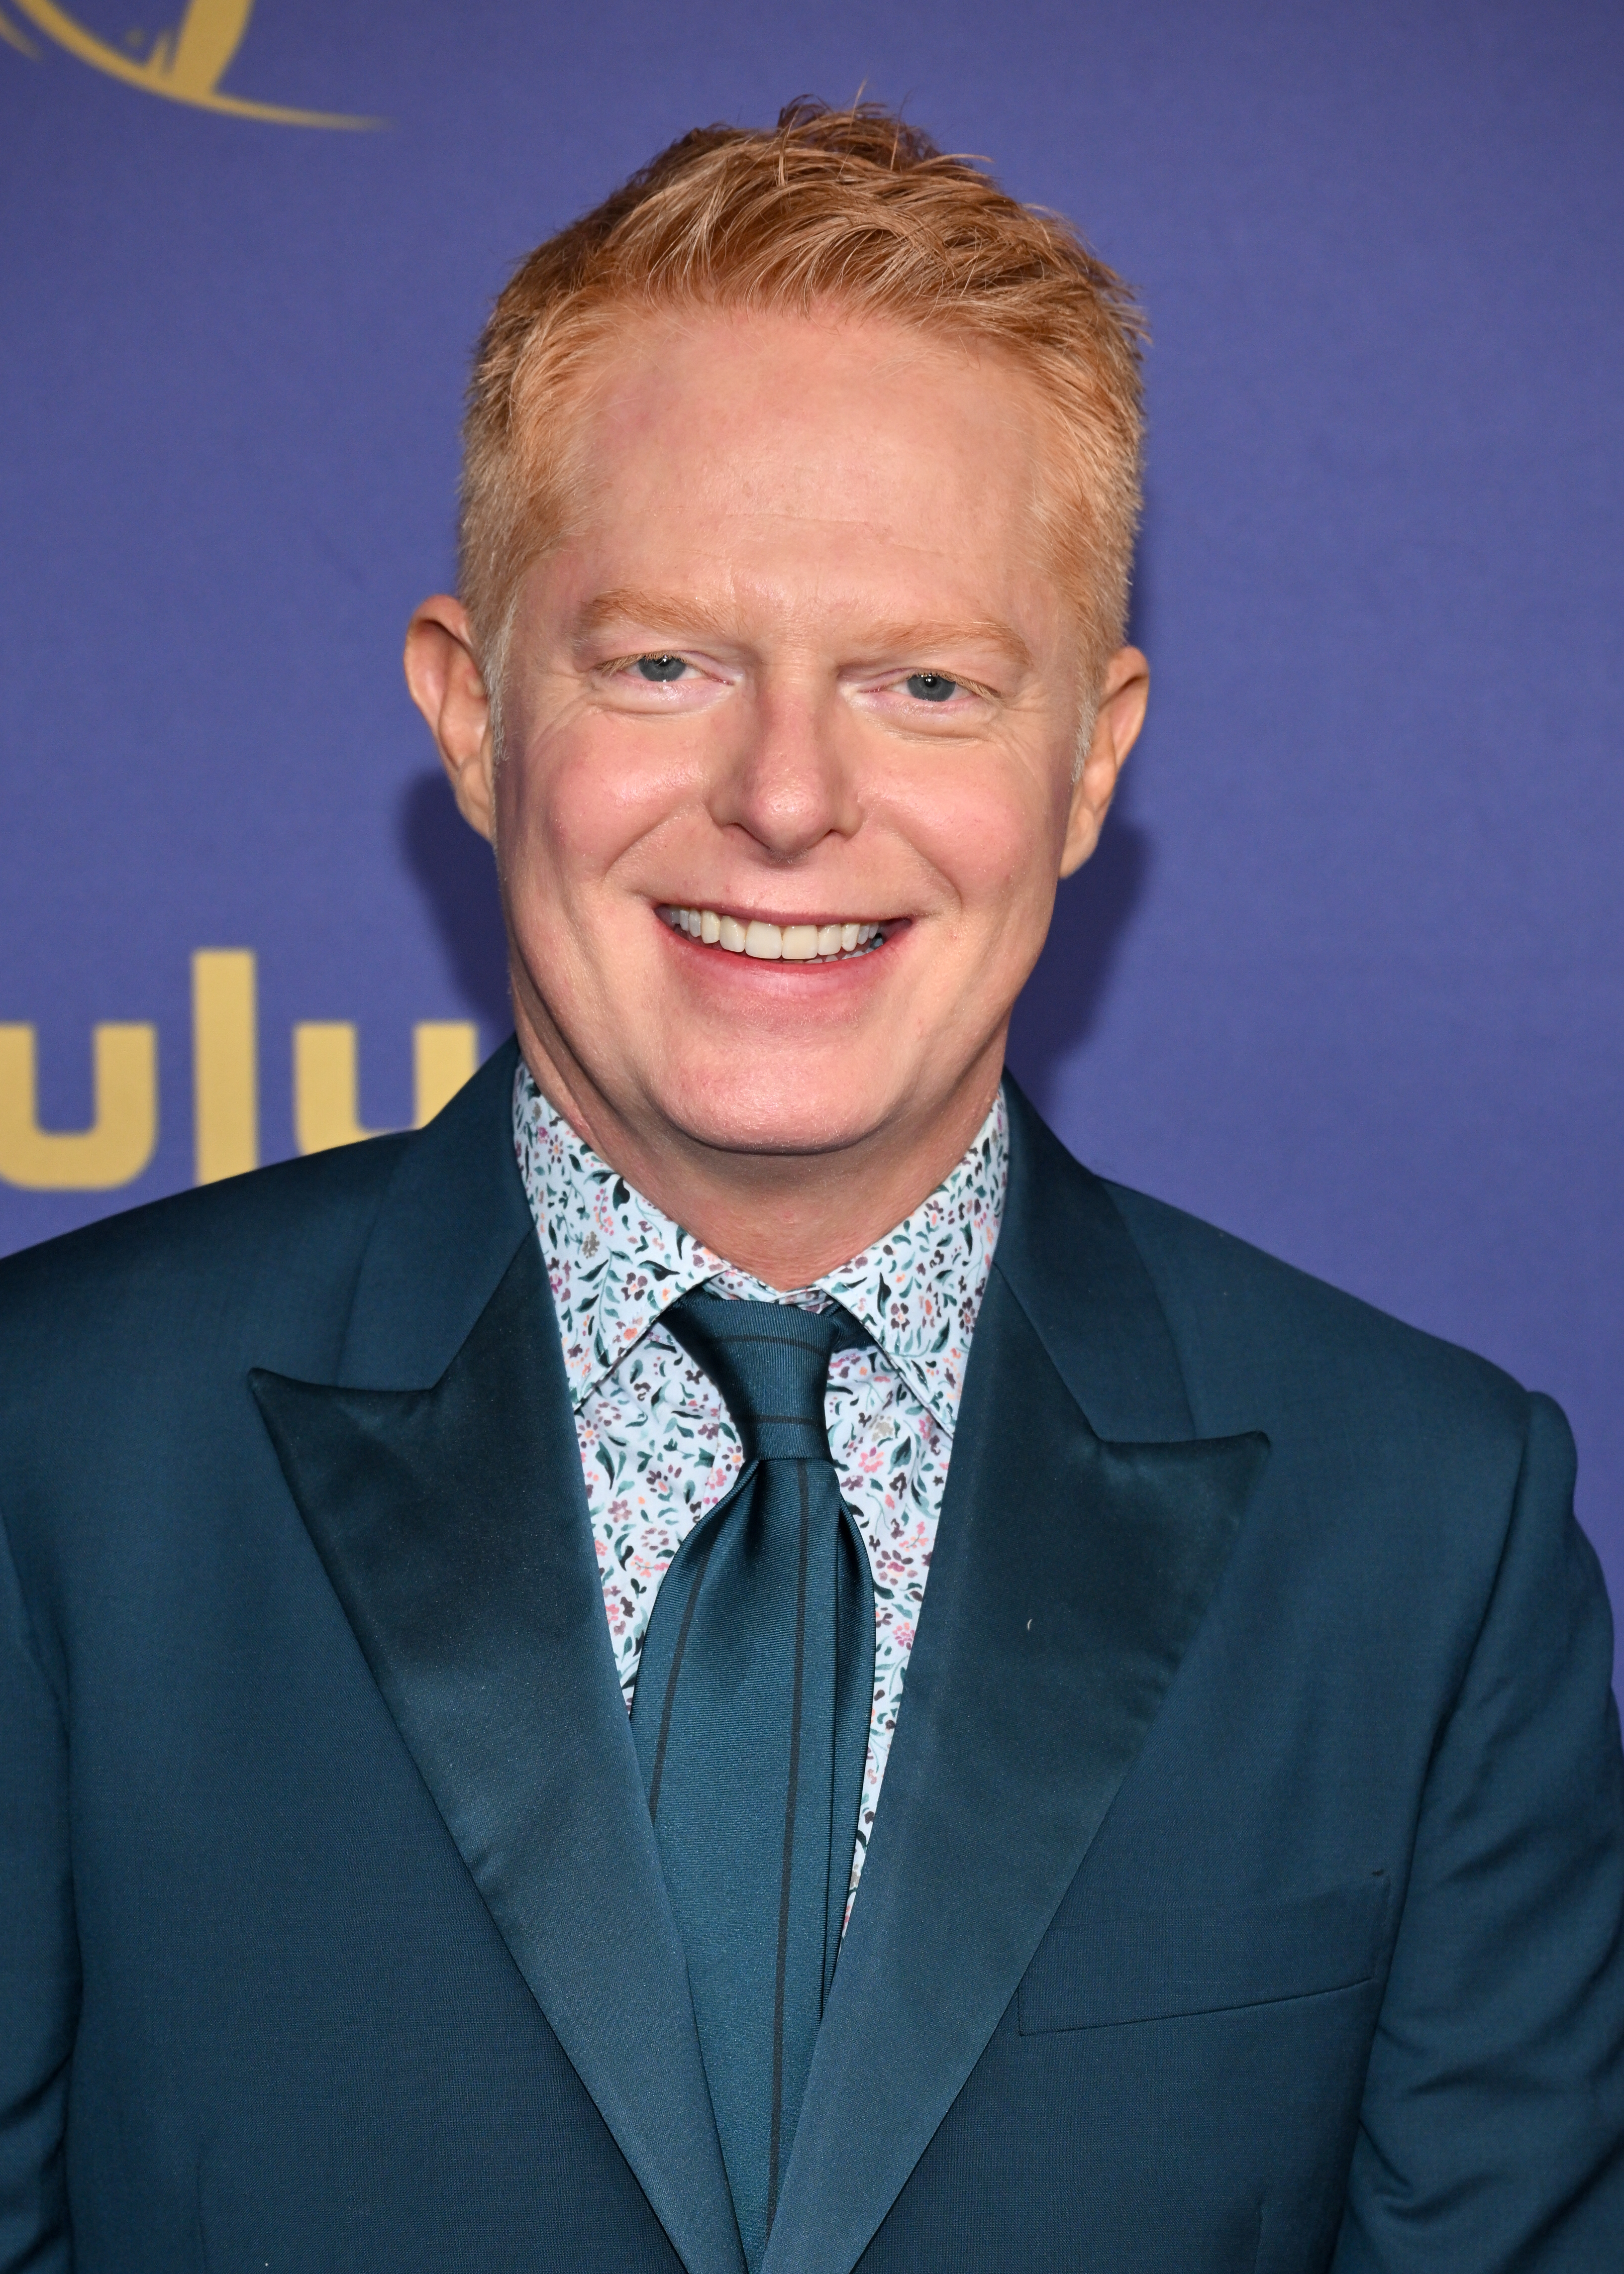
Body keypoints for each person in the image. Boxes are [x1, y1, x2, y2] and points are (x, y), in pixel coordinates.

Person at [2, 99, 1620, 2274]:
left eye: (926, 684)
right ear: (474, 718)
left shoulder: (1425, 1535)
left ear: (1091, 758)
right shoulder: (57, 1461)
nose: (786, 796)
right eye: (664, 663)